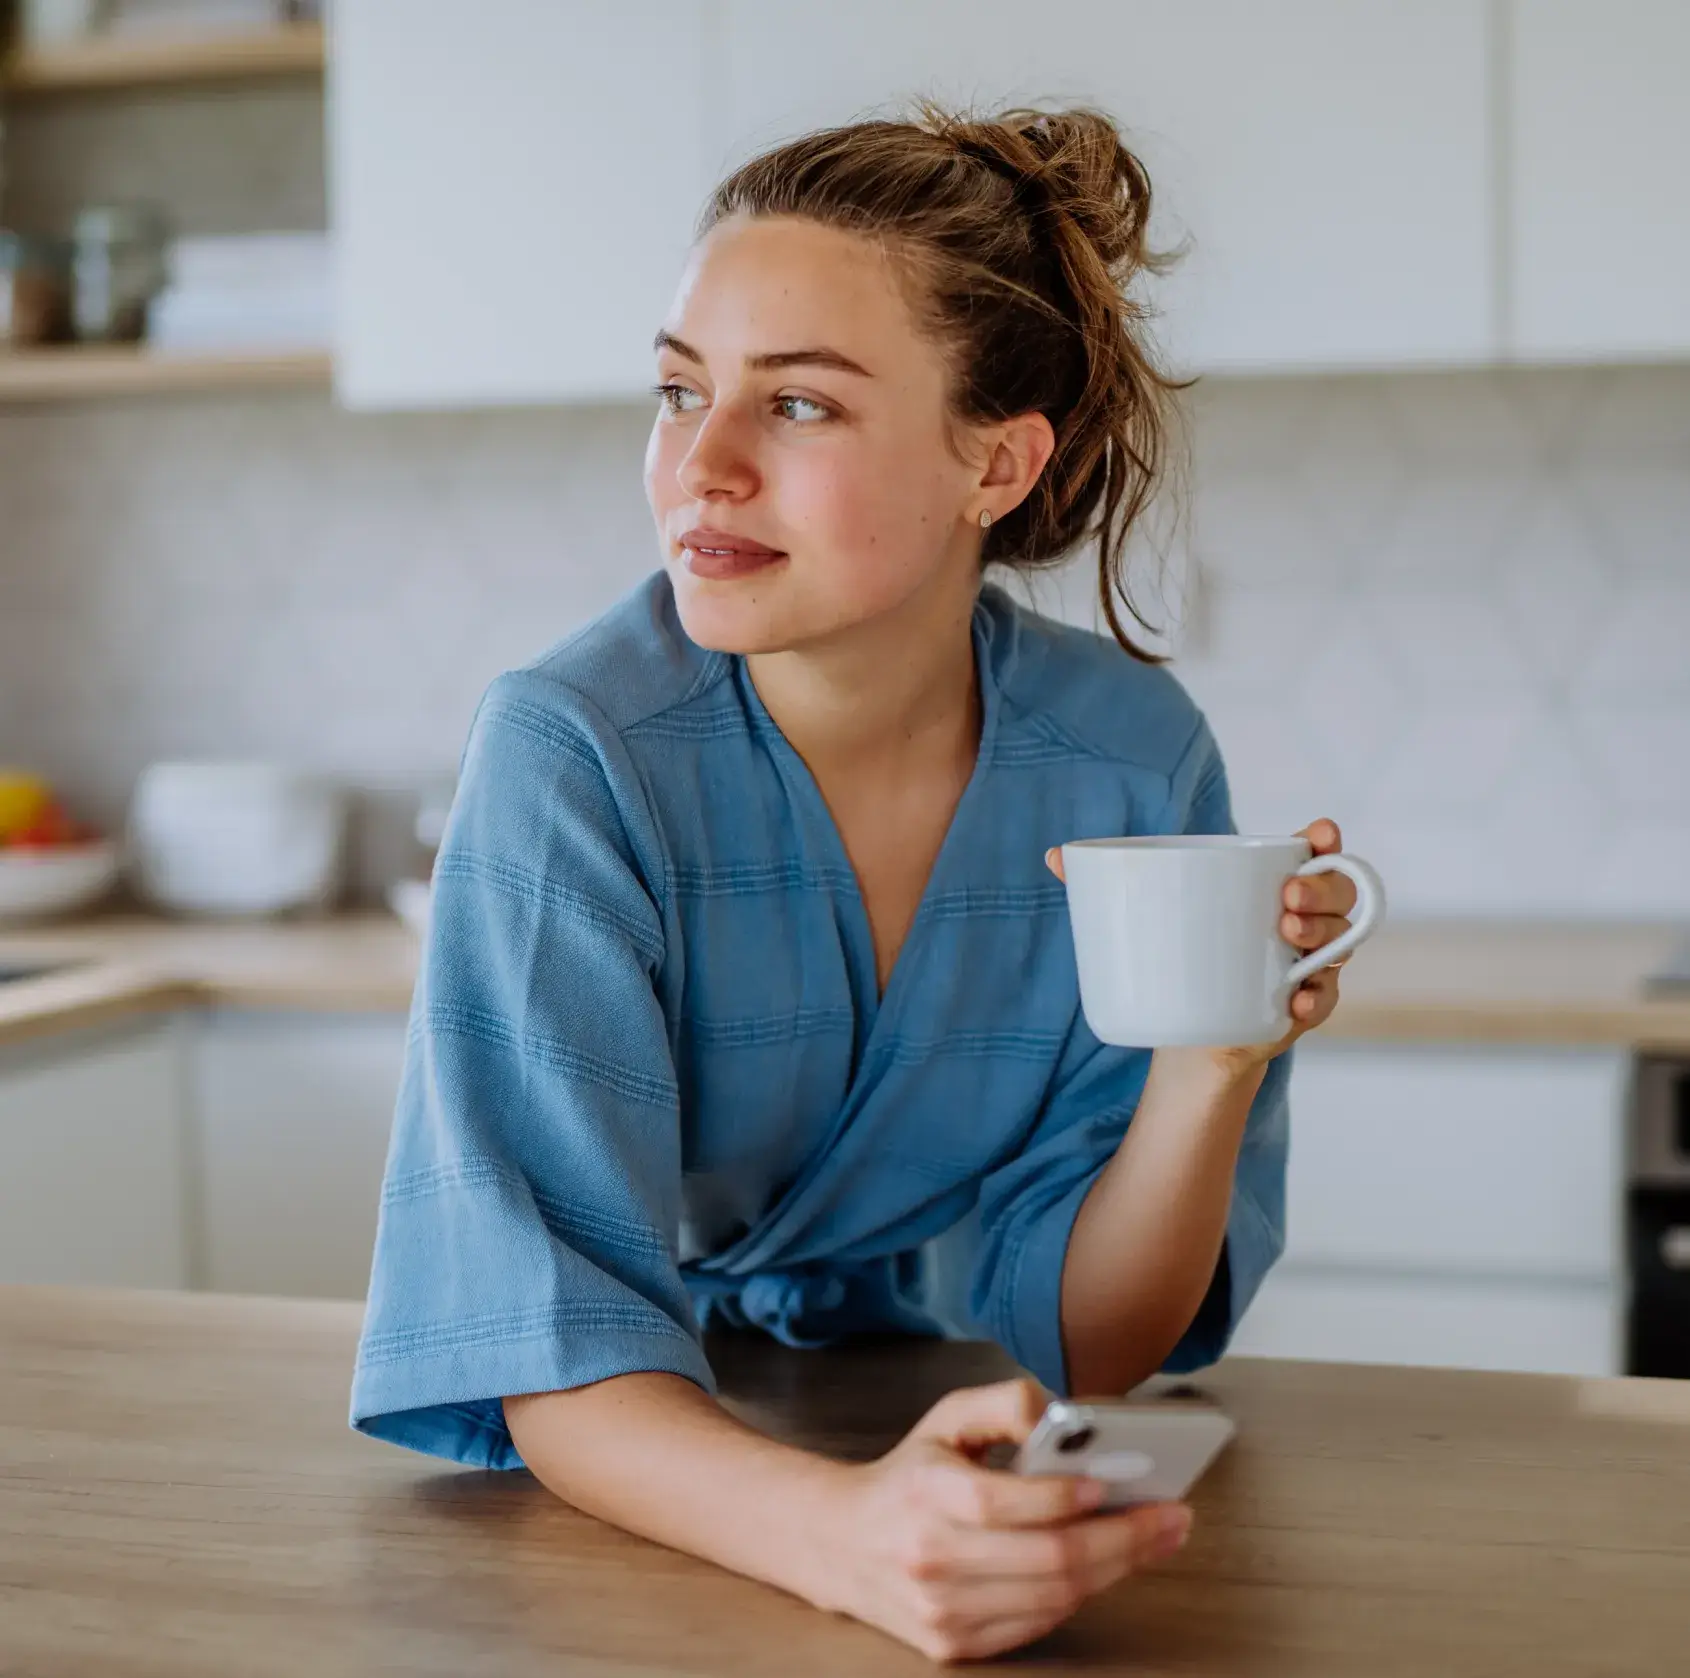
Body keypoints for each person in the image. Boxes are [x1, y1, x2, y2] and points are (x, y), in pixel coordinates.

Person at [351, 104, 1359, 1663]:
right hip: (652, 1480)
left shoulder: (1127, 759)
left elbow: (1096, 1341)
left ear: (996, 461)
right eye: (679, 389)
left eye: (800, 406)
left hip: (964, 1430)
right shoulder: (573, 755)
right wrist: (843, 1538)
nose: (702, 463)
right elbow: (544, 1340)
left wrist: (1212, 1062)